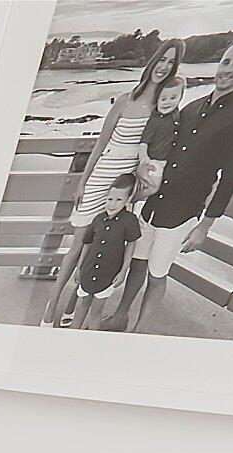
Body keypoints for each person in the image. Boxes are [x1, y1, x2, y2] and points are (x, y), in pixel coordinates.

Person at [40, 41, 182, 326]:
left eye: (171, 62)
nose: (163, 66)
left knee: (106, 245)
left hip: (126, 183)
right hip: (103, 172)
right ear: (153, 61)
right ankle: (52, 304)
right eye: (161, 59)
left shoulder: (164, 109)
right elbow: (100, 145)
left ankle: (72, 304)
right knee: (79, 244)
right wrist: (83, 181)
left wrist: (148, 178)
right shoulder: (124, 100)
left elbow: (162, 150)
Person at [125, 36, 233, 334]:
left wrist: (205, 227)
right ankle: (121, 315)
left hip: (183, 211)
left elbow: (232, 176)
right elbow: (163, 145)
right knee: (137, 261)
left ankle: (137, 331)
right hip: (155, 202)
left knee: (157, 272)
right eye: (226, 61)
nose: (228, 69)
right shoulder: (191, 106)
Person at [52, 171, 144, 328]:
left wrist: (123, 271)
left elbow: (131, 245)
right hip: (88, 271)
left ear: (128, 200)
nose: (112, 204)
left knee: (95, 312)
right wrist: (79, 268)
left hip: (107, 275)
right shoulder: (97, 219)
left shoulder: (130, 221)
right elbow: (87, 244)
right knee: (81, 308)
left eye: (118, 200)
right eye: (110, 199)